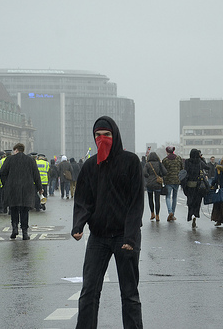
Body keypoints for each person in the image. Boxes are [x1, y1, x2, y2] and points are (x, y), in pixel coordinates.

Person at [72, 116, 144, 329]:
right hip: (99, 237)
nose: (102, 139)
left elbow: (136, 202)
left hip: (125, 236)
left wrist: (130, 236)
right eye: (98, 135)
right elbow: (83, 200)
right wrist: (78, 224)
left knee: (129, 294)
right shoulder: (90, 166)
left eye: (107, 135)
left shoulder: (130, 162)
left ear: (115, 135)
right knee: (89, 293)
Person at [0, 143, 43, 240]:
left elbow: (2, 173)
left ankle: (14, 228)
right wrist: (40, 188)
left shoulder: (9, 159)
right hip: (27, 188)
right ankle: (25, 232)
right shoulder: (30, 160)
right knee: (24, 210)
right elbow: (36, 175)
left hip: (12, 188)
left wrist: (6, 184)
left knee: (14, 208)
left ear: (15, 150)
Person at [182, 149, 209, 228]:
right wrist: (202, 158)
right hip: (198, 185)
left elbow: (185, 172)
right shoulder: (200, 162)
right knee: (197, 202)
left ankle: (191, 215)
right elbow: (207, 167)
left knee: (190, 201)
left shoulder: (187, 162)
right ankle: (195, 215)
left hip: (189, 185)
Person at [162, 146, 183, 221]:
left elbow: (163, 171)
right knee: (174, 197)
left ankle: (170, 211)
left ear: (167, 151)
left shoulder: (165, 160)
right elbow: (182, 169)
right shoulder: (178, 158)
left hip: (168, 181)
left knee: (168, 197)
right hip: (177, 181)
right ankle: (173, 214)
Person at [144, 152, 167, 221]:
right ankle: (157, 215)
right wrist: (160, 175)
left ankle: (152, 213)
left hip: (150, 184)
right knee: (157, 200)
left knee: (150, 199)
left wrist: (149, 176)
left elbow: (144, 173)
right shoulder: (159, 164)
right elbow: (165, 172)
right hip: (157, 184)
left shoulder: (147, 164)